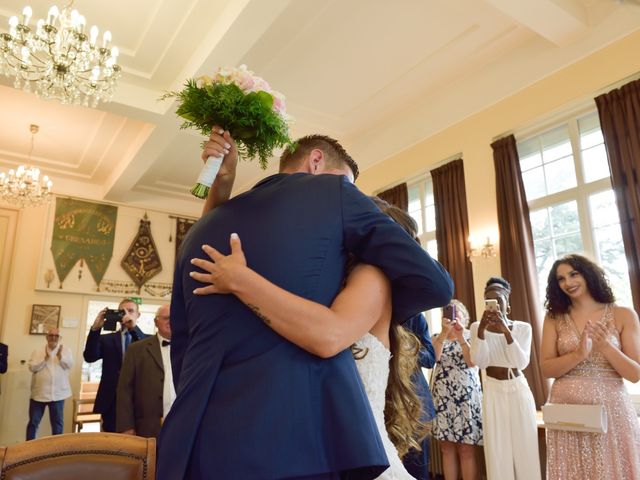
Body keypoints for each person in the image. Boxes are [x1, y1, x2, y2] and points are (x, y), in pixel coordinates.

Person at [157, 129, 453, 480]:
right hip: (305, 446)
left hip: (219, 440)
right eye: (348, 186)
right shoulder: (324, 233)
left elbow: (325, 332)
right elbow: (436, 284)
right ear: (316, 162)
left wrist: (241, 277)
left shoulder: (368, 280)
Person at [191, 199, 433, 479]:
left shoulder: (373, 276)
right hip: (318, 455)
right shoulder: (330, 284)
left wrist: (240, 280)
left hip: (359, 461)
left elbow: (328, 337)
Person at [540, 254, 640, 479]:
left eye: (574, 274)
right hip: (567, 413)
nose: (568, 282)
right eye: (561, 279)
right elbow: (546, 369)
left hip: (611, 412)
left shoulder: (622, 314)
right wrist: (578, 354)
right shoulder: (554, 318)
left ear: (588, 274)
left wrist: (606, 347)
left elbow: (635, 374)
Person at [469, 277, 540, 480]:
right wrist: (482, 330)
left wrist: (506, 331)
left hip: (517, 388)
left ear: (507, 303)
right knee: (497, 450)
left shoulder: (523, 328)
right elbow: (480, 362)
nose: (495, 304)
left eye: (499, 299)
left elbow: (521, 361)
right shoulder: (476, 327)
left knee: (525, 446)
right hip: (492, 389)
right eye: (489, 300)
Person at [431, 300, 482, 480]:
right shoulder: (437, 337)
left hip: (467, 398)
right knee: (446, 448)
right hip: (443, 398)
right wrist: (444, 334)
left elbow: (472, 362)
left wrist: (460, 337)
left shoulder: (471, 336)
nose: (453, 318)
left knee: (466, 449)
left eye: (456, 314)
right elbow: (433, 359)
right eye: (449, 314)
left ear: (464, 318)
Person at [83, 298, 146, 432]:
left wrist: (133, 327)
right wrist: (95, 329)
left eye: (130, 311)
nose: (126, 314)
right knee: (111, 442)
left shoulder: (148, 339)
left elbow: (145, 352)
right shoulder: (107, 339)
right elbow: (89, 357)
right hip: (111, 400)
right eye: (122, 311)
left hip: (139, 399)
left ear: (138, 315)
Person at [116, 304, 175, 438]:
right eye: (166, 318)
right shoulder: (136, 349)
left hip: (182, 425)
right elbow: (125, 390)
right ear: (156, 322)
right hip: (147, 426)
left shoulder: (191, 350)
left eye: (175, 317)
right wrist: (126, 427)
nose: (171, 321)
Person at [26, 328, 73, 440]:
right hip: (39, 394)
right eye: (51, 335)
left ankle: (56, 451)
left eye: (56, 336)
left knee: (57, 425)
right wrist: (45, 358)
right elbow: (32, 367)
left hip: (58, 395)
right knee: (33, 423)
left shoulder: (66, 350)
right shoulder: (37, 351)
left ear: (59, 338)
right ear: (47, 337)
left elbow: (69, 365)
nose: (53, 338)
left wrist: (60, 357)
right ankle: (28, 449)